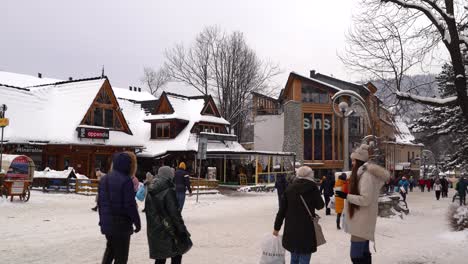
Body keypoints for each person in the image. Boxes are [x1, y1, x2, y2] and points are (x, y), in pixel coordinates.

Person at [335, 144, 390, 264]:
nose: (352, 163)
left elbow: (366, 199)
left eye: (354, 161)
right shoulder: (361, 174)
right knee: (364, 253)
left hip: (361, 221)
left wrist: (346, 196)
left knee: (356, 256)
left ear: (359, 161)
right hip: (361, 220)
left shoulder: (366, 176)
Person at [273, 166, 325, 264]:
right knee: (304, 258)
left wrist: (276, 228)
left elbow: (282, 211)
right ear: (310, 175)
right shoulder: (313, 187)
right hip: (307, 230)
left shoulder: (290, 188)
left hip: (291, 229)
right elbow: (320, 206)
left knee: (294, 258)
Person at [98, 152, 141, 264]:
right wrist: (137, 222)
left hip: (107, 223)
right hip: (122, 226)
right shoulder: (126, 181)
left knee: (110, 250)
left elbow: (100, 203)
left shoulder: (104, 179)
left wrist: (102, 220)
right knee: (121, 257)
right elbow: (130, 205)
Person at [145, 166, 192, 264]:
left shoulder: (151, 188)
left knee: (161, 257)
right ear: (168, 176)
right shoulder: (168, 189)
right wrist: (182, 230)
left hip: (155, 230)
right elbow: (174, 214)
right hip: (169, 230)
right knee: (177, 252)